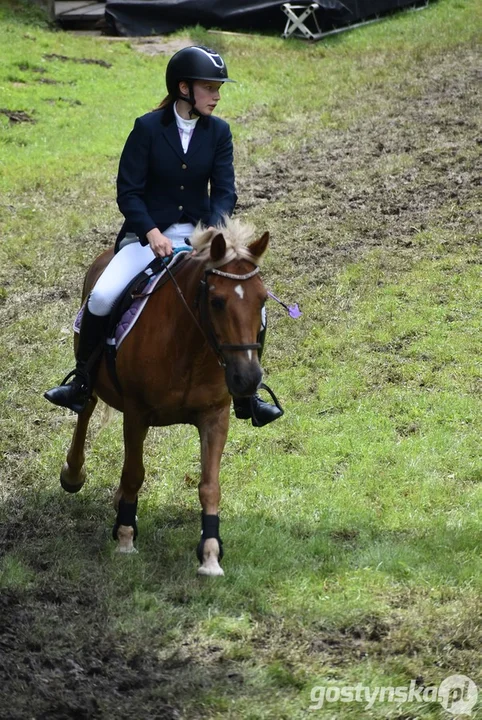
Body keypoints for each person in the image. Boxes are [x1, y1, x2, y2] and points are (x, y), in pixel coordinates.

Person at [44, 45, 282, 427]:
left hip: (202, 239)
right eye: (210, 88)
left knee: (257, 304)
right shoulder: (148, 128)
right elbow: (129, 191)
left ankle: (247, 395)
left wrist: (215, 234)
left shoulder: (219, 132)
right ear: (185, 88)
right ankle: (82, 382)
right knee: (102, 296)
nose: (217, 96)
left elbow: (224, 191)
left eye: (219, 88)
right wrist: (151, 231)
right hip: (147, 237)